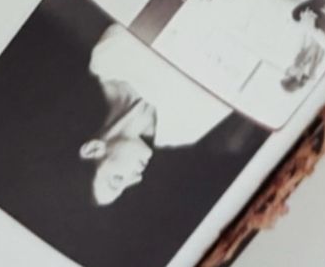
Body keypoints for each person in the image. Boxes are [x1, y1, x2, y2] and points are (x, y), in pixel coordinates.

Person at [80, 21, 231, 206]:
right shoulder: (184, 131)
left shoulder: (106, 59)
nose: (137, 179)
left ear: (93, 149)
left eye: (117, 180)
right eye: (128, 186)